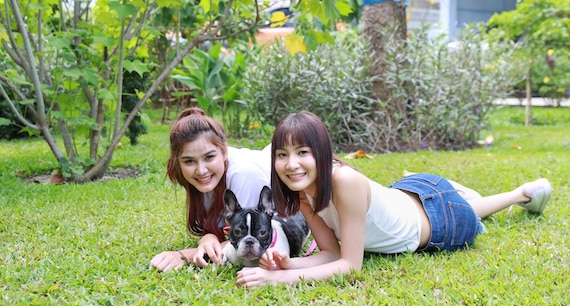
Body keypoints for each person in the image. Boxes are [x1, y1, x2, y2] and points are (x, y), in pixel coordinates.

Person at [236, 111, 553, 287]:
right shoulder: (302, 191)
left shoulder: (343, 181)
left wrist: (280, 280)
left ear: (321, 152)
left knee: (473, 211)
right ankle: (461, 191)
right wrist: (288, 263)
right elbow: (332, 252)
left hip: (440, 221)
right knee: (461, 200)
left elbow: (350, 266)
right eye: (282, 154)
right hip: (409, 189)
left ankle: (521, 195)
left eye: (302, 152)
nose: (291, 164)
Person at [150, 107, 270, 272]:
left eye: (209, 157)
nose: (201, 170)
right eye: (189, 161)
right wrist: (208, 237)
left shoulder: (245, 174)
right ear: (178, 162)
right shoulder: (209, 178)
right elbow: (224, 229)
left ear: (224, 151)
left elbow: (247, 242)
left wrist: (183, 255)